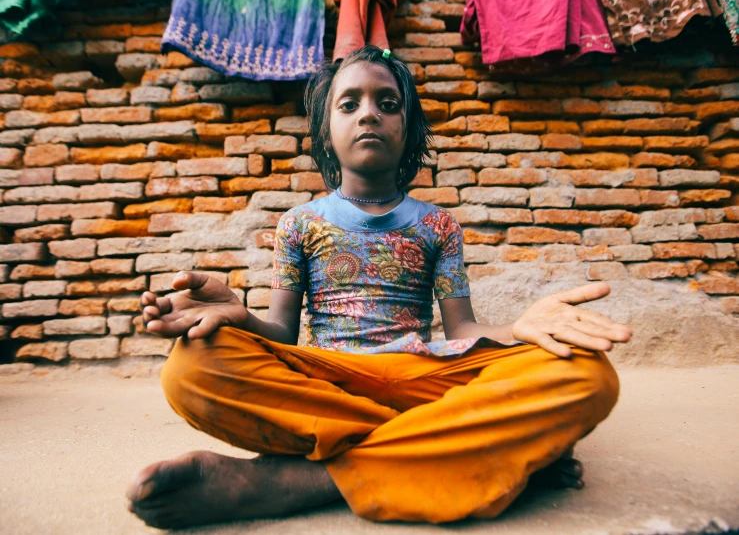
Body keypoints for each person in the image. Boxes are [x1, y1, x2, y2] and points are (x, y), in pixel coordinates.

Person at [126, 45, 631, 529]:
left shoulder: (439, 226)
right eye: (349, 104)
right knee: (191, 366)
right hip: (329, 382)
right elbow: (280, 334)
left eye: (387, 104)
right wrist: (241, 315)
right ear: (326, 134)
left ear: (407, 131)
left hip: (424, 373)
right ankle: (471, 446)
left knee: (588, 373)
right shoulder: (298, 224)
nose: (369, 114)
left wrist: (521, 329)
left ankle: (295, 480)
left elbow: (464, 329)